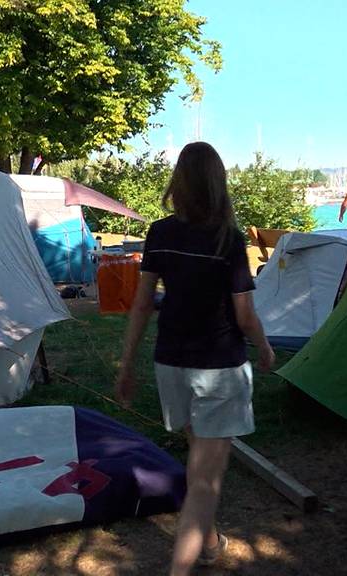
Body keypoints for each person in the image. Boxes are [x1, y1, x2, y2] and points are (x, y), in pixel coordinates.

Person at [116, 142, 275, 576]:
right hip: (219, 367)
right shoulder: (228, 240)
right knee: (205, 482)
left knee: (197, 455)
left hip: (171, 364)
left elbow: (142, 304)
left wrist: (128, 364)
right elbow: (245, 316)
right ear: (217, 182)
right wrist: (263, 346)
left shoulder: (160, 233)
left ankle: (209, 543)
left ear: (179, 182)